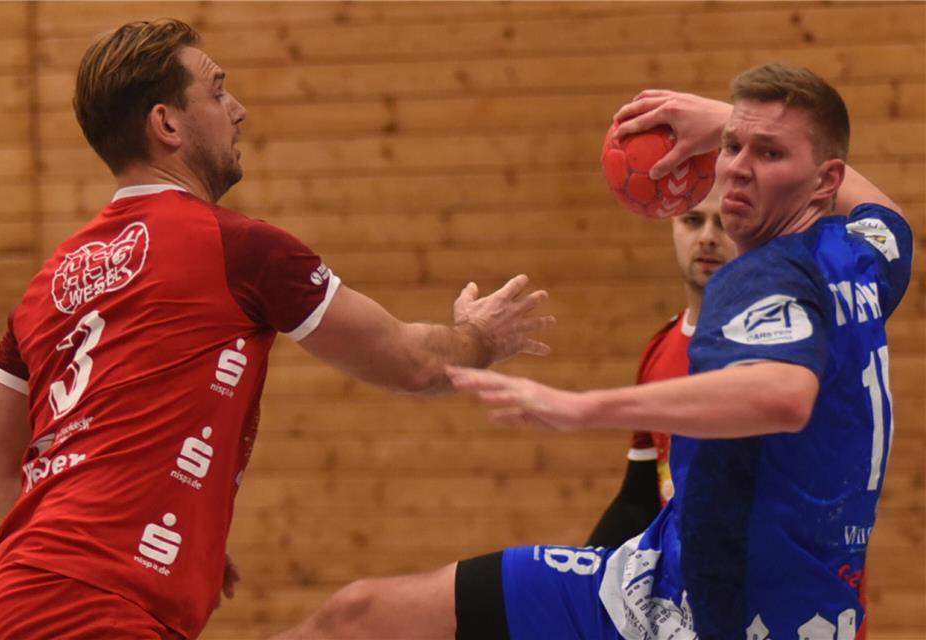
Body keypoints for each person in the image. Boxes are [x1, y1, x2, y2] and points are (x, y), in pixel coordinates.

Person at [274, 64, 912, 640]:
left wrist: (582, 406)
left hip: (719, 615)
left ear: (823, 180)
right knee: (360, 615)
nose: (738, 168)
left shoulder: (757, 279)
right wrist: (725, 118)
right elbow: (886, 211)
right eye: (732, 148)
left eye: (768, 153)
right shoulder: (861, 254)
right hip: (667, 582)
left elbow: (781, 394)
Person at [0, 19, 554, 640]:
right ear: (167, 124)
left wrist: (126, 534)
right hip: (96, 613)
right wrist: (481, 336)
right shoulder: (236, 250)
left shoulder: (50, 281)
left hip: (11, 599)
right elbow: (411, 362)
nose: (237, 110)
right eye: (217, 91)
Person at [586, 182, 738, 549]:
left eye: (724, 223)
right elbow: (639, 498)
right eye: (692, 220)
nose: (707, 238)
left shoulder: (777, 344)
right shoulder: (661, 347)